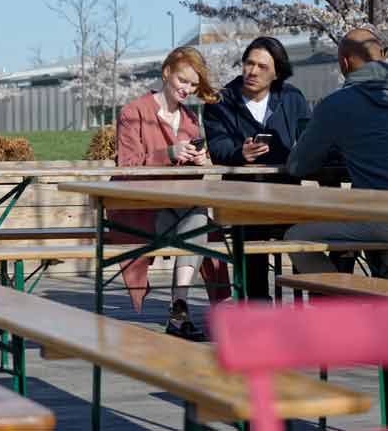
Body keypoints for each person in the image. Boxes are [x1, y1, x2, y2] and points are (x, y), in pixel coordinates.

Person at [113, 46, 227, 340]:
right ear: (166, 73)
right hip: (139, 210)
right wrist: (169, 153)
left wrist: (200, 162)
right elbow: (127, 166)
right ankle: (184, 311)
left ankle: (179, 307)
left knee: (199, 220)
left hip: (180, 207)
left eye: (193, 84)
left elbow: (191, 178)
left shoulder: (190, 119)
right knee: (199, 225)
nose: (187, 89)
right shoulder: (134, 112)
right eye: (182, 80)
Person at [203, 36, 310, 299]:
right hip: (243, 195)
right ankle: (258, 307)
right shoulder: (220, 101)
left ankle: (307, 305)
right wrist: (239, 153)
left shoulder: (292, 98)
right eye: (249, 63)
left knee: (310, 234)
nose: (252, 71)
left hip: (286, 193)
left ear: (277, 73)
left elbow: (308, 139)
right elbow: (217, 148)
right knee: (251, 233)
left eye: (262, 66)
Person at [286, 27, 388, 276]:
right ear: (383, 55)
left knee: (295, 237)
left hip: (378, 218)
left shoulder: (336, 104)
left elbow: (297, 166)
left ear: (344, 62)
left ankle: (341, 296)